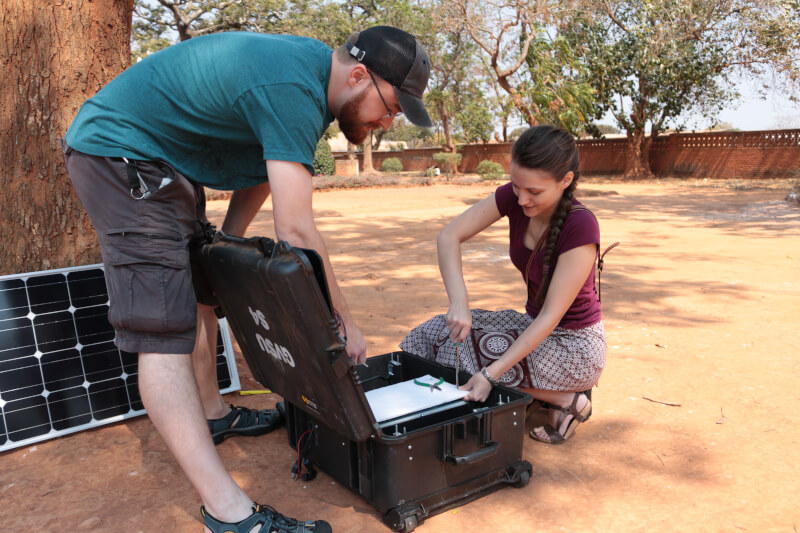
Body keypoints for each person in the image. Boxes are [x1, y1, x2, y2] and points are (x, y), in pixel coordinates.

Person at [62, 26, 432, 533]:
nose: (388, 123)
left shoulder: (314, 77)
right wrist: (342, 321)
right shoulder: (294, 90)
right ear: (360, 76)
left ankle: (214, 413)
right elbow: (297, 228)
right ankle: (229, 513)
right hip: (121, 155)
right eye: (390, 107)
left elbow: (263, 164)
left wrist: (222, 248)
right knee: (163, 335)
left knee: (198, 292)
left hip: (163, 158)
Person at [400, 125, 606, 445]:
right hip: (533, 327)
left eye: (534, 192)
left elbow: (550, 317)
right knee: (437, 334)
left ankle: (567, 399)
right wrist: (459, 302)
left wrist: (490, 375)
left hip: (573, 347)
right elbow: (449, 236)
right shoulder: (515, 196)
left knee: (472, 361)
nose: (521, 198)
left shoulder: (580, 226)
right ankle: (536, 390)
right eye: (516, 186)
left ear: (565, 180)